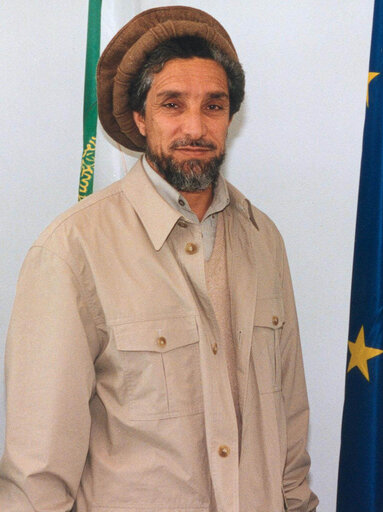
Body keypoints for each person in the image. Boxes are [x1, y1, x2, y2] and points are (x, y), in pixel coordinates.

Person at [0, 6, 317, 512]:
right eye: (173, 104)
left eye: (213, 106)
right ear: (140, 118)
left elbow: (290, 432)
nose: (195, 126)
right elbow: (37, 475)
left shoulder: (264, 240)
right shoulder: (72, 251)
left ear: (230, 118)